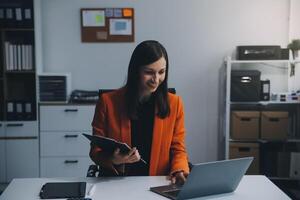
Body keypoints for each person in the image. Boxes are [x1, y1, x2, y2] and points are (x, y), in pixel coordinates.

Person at [90, 40, 189, 184]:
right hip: (117, 183)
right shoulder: (107, 102)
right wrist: (113, 159)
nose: (156, 79)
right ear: (135, 71)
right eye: (149, 72)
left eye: (161, 72)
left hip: (157, 183)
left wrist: (179, 170)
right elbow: (95, 151)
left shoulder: (175, 103)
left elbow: (178, 148)